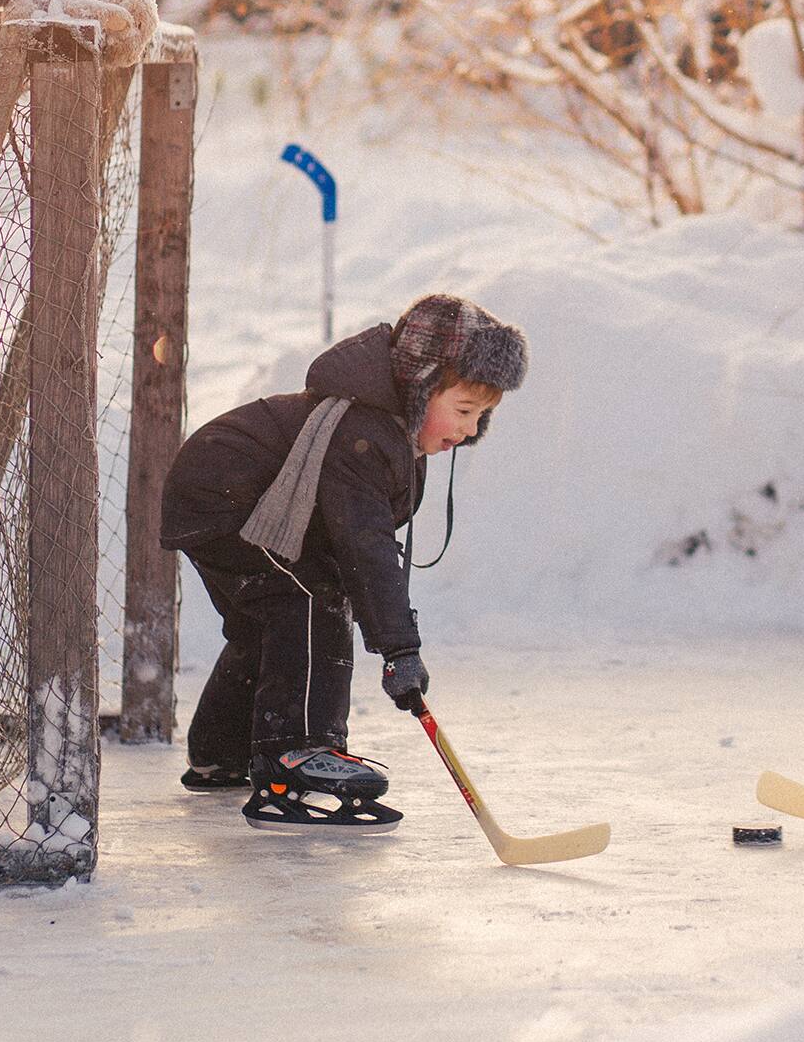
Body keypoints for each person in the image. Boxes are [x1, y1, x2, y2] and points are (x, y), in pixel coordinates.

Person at [158, 293, 527, 831]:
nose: (470, 430)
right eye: (464, 411)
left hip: (224, 492)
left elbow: (359, 542)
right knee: (311, 600)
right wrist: (399, 648)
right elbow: (364, 545)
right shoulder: (366, 432)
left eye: (482, 416)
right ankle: (298, 755)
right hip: (227, 494)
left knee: (272, 621)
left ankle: (222, 750)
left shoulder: (389, 437)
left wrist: (392, 635)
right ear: (423, 388)